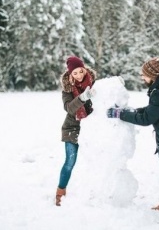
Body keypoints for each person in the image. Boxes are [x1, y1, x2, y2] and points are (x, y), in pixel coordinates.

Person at [106, 57, 159, 223]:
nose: (142, 78)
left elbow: (146, 118)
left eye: (144, 75)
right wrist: (130, 111)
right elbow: (153, 110)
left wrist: (120, 114)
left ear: (153, 74)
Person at [55, 56, 97, 206]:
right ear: (70, 75)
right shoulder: (67, 89)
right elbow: (69, 108)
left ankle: (100, 191)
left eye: (81, 71)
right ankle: (60, 191)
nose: (79, 75)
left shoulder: (94, 84)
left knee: (98, 161)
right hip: (72, 128)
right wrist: (83, 97)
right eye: (75, 73)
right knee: (70, 161)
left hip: (92, 128)